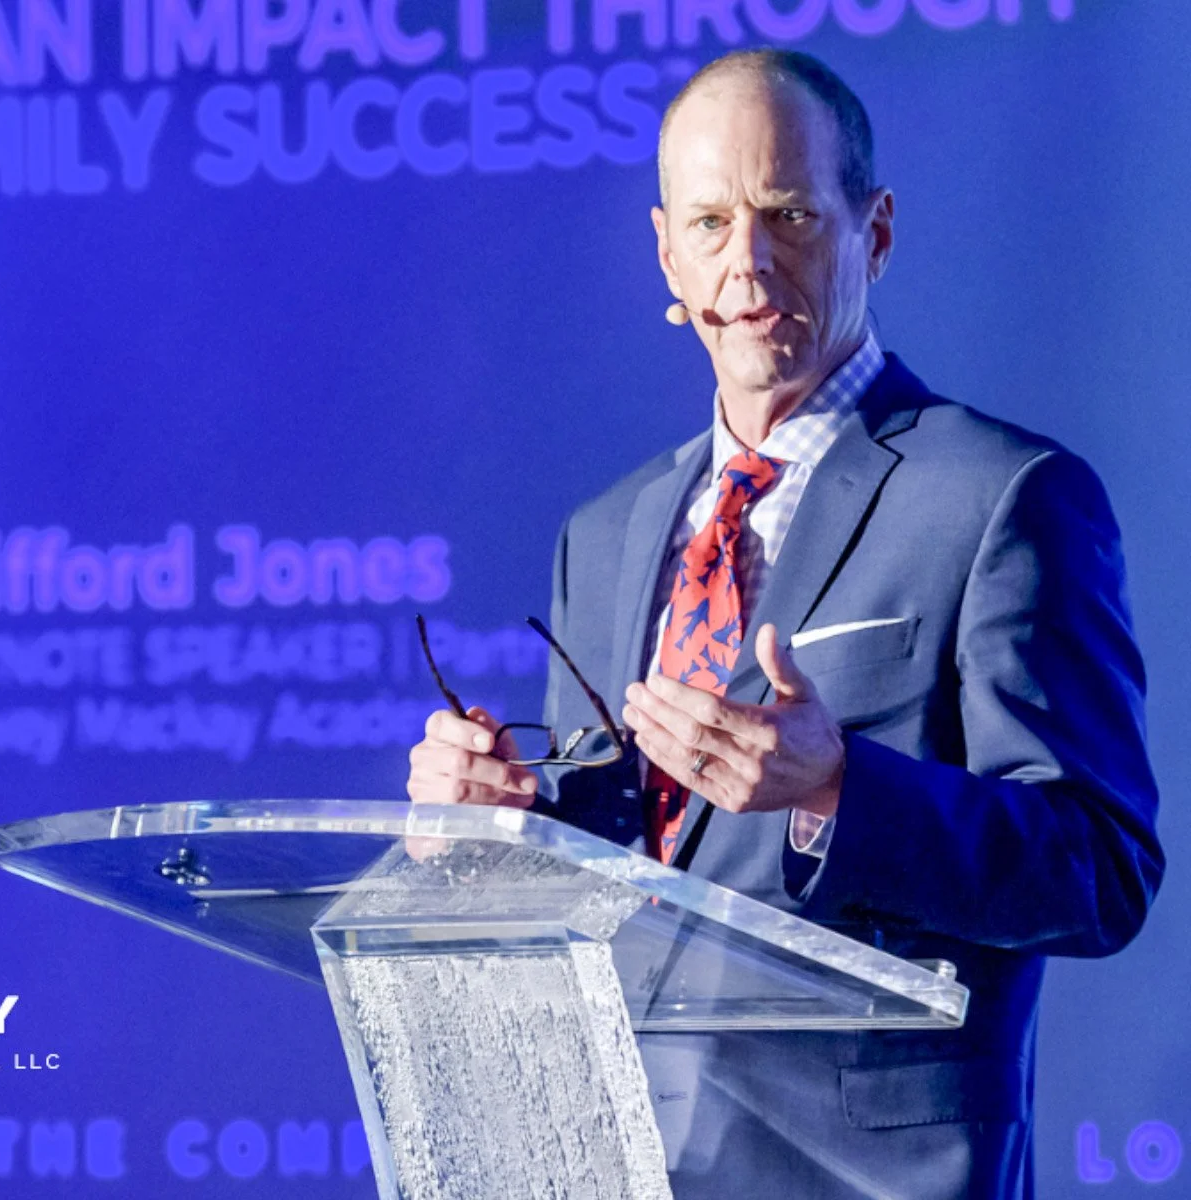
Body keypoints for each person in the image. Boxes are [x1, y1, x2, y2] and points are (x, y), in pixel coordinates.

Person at [406, 48, 1163, 1200]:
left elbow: (1098, 868)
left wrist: (840, 791)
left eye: (790, 214)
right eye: (710, 222)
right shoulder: (603, 535)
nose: (747, 260)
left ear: (876, 231)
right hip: (621, 1162)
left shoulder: (1004, 496)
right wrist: (499, 831)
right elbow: (626, 865)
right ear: (667, 252)